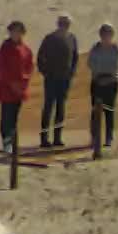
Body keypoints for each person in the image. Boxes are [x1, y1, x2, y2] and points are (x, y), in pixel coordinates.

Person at [36, 15, 79, 148]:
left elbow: (75, 57)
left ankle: (57, 138)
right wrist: (45, 72)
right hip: (51, 78)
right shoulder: (49, 38)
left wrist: (71, 73)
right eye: (62, 23)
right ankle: (44, 139)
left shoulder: (72, 38)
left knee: (61, 108)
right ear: (58, 24)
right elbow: (40, 57)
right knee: (48, 107)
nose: (64, 26)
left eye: (66, 24)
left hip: (64, 79)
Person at [0, 21, 35, 153]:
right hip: (7, 88)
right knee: (6, 116)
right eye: (13, 31)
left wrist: (23, 84)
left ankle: (13, 141)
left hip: (19, 89)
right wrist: (12, 84)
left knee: (14, 116)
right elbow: (2, 69)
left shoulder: (26, 50)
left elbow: (29, 68)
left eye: (18, 31)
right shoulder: (5, 47)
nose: (15, 34)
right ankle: (6, 142)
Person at [88, 23, 118, 149]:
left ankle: (109, 137)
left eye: (108, 34)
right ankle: (94, 137)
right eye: (104, 33)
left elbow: (115, 65)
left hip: (111, 83)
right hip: (97, 82)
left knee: (109, 110)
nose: (106, 36)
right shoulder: (95, 48)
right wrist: (98, 76)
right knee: (95, 111)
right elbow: (90, 63)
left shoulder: (115, 49)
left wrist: (107, 77)